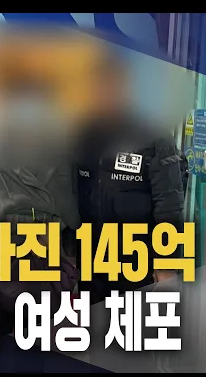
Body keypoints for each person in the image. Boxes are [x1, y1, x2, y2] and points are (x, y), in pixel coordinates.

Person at [75, 57, 185, 304]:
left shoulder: (154, 138)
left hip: (137, 263)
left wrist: (166, 265)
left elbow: (169, 206)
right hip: (92, 260)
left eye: (111, 86)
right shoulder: (84, 137)